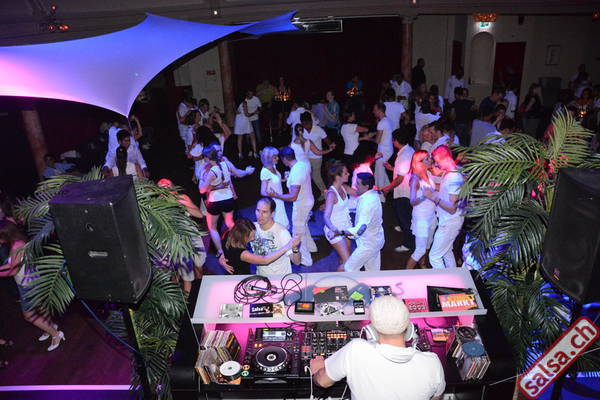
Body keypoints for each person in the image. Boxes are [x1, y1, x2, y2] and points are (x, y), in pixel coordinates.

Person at [310, 295, 445, 400]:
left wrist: (317, 370)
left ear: (371, 330)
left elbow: (322, 382)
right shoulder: (432, 362)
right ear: (409, 328)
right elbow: (436, 397)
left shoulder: (356, 350)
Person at [0, 220, 65, 352]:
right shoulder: (18, 242)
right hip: (31, 280)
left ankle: (56, 334)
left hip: (28, 285)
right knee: (41, 306)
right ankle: (50, 327)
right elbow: (12, 266)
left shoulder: (16, 247)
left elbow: (12, 270)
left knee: (29, 315)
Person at [199, 143, 255, 257]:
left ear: (208, 158)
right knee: (230, 223)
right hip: (228, 199)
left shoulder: (211, 171)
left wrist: (202, 179)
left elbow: (202, 190)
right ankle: (241, 243)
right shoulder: (227, 164)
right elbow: (239, 174)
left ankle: (221, 252)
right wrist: (247, 171)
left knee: (212, 227)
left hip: (215, 202)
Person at [157, 179, 206, 294]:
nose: (165, 188)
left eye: (167, 185)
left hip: (192, 235)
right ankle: (188, 300)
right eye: (161, 187)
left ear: (173, 187)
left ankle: (200, 287)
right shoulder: (158, 205)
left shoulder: (183, 198)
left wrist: (181, 204)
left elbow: (199, 215)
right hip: (177, 241)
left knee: (199, 266)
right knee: (186, 274)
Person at [268, 147, 316, 266]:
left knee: (298, 232)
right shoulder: (302, 164)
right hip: (308, 200)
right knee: (303, 225)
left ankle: (306, 260)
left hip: (302, 205)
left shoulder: (295, 173)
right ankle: (312, 247)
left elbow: (293, 196)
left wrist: (276, 195)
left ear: (285, 159)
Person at [425, 145, 464, 269]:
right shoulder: (450, 172)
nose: (436, 164)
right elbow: (445, 190)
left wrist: (433, 197)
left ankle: (443, 279)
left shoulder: (454, 177)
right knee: (446, 252)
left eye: (437, 161)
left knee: (434, 257)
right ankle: (453, 277)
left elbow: (452, 208)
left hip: (450, 222)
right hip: (449, 221)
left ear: (446, 158)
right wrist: (431, 187)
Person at [222, 217, 300, 275]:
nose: (253, 239)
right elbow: (264, 260)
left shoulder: (229, 235)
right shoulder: (241, 253)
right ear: (242, 236)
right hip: (238, 278)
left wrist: (221, 257)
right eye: (250, 237)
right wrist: (288, 246)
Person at [382, 129, 415, 253]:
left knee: (404, 218)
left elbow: (400, 179)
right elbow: (404, 171)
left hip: (403, 192)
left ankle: (408, 244)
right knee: (406, 217)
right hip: (408, 190)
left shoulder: (403, 155)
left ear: (396, 141)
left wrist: (387, 188)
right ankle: (405, 230)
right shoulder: (409, 150)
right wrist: (392, 168)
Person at [342, 173, 384, 272]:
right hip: (376, 239)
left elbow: (359, 230)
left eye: (358, 184)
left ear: (366, 186)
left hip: (368, 244)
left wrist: (341, 232)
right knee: (372, 271)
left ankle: (356, 283)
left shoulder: (367, 203)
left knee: (349, 268)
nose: (355, 186)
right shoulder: (372, 194)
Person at [250, 198, 302, 275]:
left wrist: (295, 248)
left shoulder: (282, 232)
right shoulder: (252, 228)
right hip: (261, 277)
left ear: (272, 214)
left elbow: (296, 262)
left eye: (264, 212)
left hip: (280, 278)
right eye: (258, 210)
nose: (260, 215)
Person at [406, 151, 437, 269]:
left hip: (431, 215)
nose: (430, 160)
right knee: (420, 250)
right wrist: (424, 196)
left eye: (429, 157)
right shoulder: (415, 178)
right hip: (421, 217)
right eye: (427, 159)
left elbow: (434, 189)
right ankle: (405, 274)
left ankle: (422, 265)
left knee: (428, 245)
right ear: (419, 162)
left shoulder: (428, 173)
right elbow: (412, 201)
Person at [323, 162, 353, 271]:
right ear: (338, 176)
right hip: (334, 230)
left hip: (345, 227)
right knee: (348, 262)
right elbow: (326, 216)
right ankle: (337, 279)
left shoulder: (344, 187)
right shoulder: (332, 194)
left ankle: (342, 278)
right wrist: (333, 228)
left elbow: (360, 193)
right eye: (345, 173)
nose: (348, 174)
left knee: (344, 259)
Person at [301, 111, 336, 200]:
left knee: (316, 177)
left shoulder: (318, 129)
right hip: (305, 157)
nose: (306, 126)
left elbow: (326, 140)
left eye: (308, 123)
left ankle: (325, 193)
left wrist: (331, 145)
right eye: (304, 124)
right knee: (306, 176)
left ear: (311, 121)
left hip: (317, 157)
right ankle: (307, 194)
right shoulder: (301, 130)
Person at [260, 147, 289, 229]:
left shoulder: (273, 166)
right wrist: (273, 194)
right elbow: (262, 191)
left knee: (282, 223)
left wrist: (284, 179)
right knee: (279, 224)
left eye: (277, 156)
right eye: (275, 157)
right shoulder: (265, 172)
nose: (277, 158)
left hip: (280, 199)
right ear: (268, 158)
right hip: (274, 201)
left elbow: (276, 180)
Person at [372, 103, 394, 201]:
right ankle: (389, 188)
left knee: (379, 173)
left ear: (379, 110)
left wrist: (368, 138)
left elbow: (377, 140)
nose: (373, 112)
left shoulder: (381, 123)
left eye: (374, 109)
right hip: (389, 149)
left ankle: (381, 197)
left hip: (383, 151)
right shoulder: (388, 120)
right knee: (382, 171)